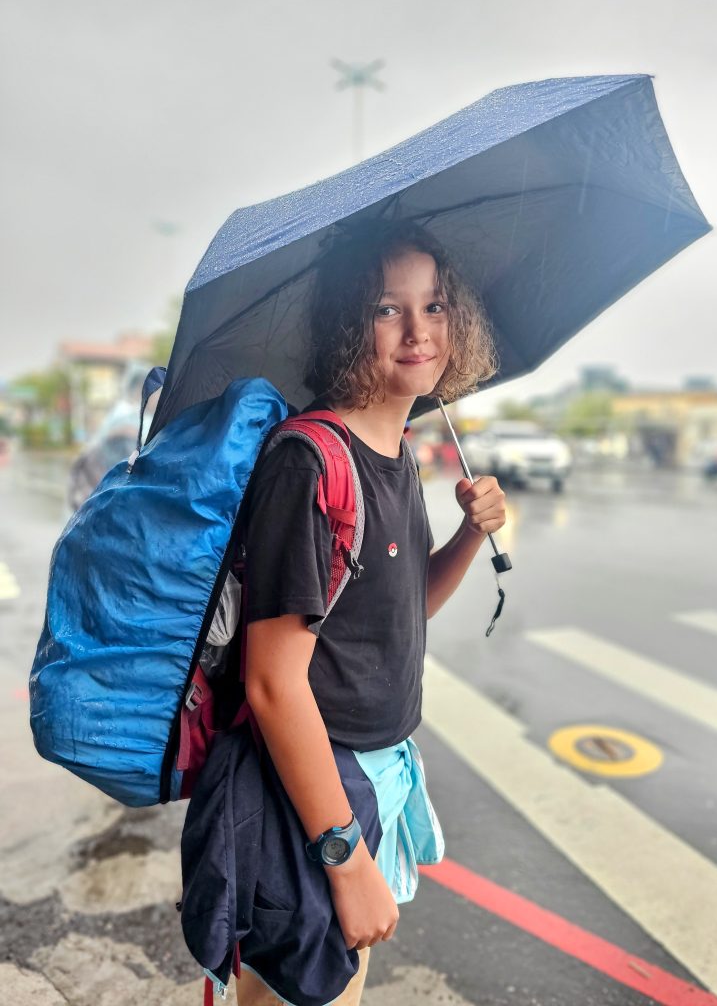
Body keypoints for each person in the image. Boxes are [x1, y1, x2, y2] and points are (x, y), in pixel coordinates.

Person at [237, 219, 506, 1006]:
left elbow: (403, 609)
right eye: (390, 309)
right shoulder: (311, 461)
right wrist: (345, 859)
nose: (419, 330)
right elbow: (271, 684)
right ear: (350, 327)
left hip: (371, 779)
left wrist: (467, 536)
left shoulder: (394, 451)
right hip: (318, 794)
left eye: (435, 305)